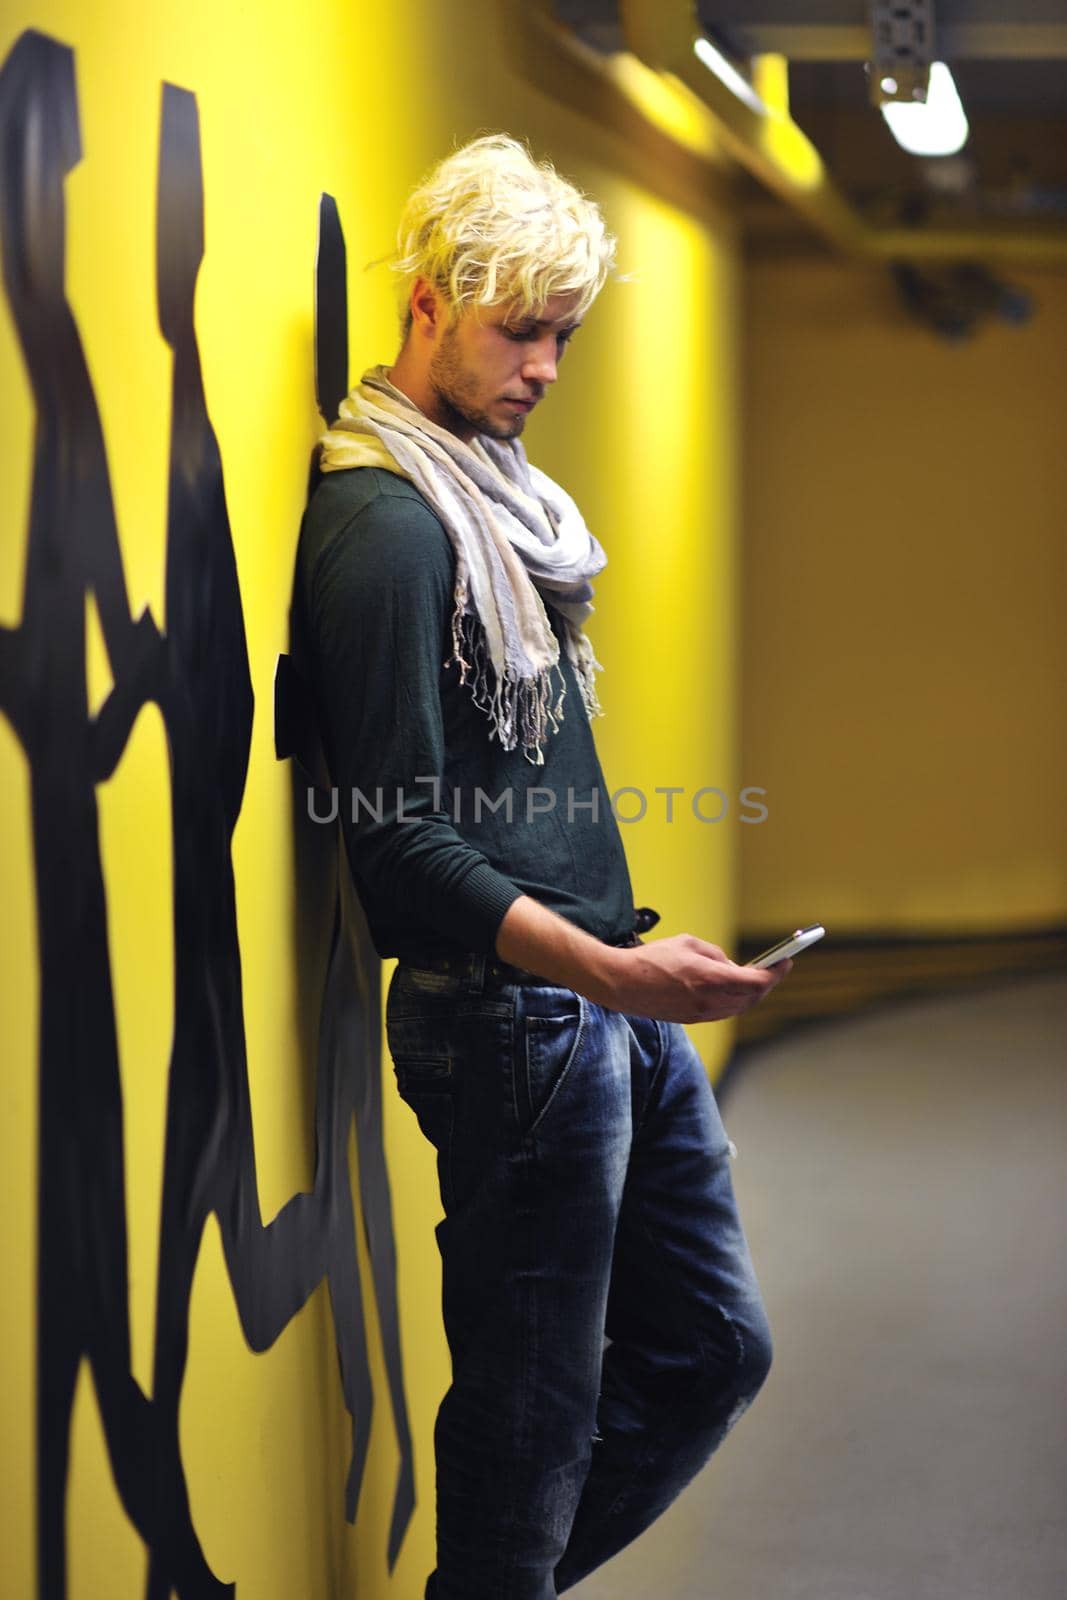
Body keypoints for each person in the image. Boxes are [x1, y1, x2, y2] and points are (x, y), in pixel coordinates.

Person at [297, 133, 791, 1600]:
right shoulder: (388, 523)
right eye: (522, 328)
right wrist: (612, 972)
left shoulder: (502, 509)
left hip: (601, 1010)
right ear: (430, 303)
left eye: (565, 332)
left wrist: (630, 977)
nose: (549, 366)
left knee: (712, 1351)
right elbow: (394, 839)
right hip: (515, 1024)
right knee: (528, 1430)